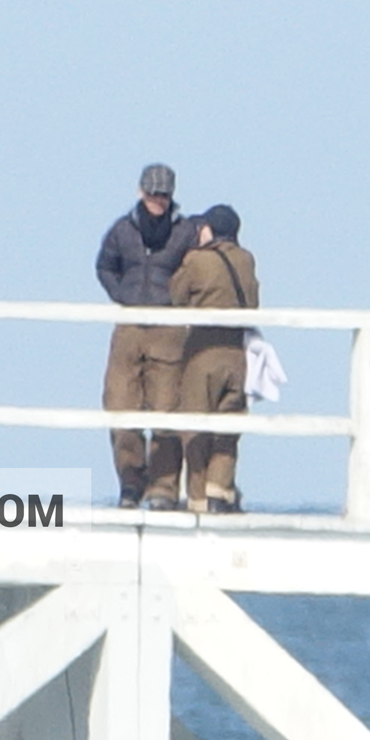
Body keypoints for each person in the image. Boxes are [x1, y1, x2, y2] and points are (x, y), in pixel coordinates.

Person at [96, 163, 201, 509]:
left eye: (164, 194)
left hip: (169, 329)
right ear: (141, 192)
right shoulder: (122, 231)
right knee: (119, 405)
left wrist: (176, 301)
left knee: (166, 410)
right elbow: (104, 266)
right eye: (153, 193)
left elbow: (195, 272)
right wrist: (123, 296)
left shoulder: (184, 233)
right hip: (129, 327)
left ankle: (163, 488)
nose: (158, 200)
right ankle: (130, 481)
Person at [170, 205, 259, 514]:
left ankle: (197, 498)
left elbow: (176, 294)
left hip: (203, 352)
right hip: (238, 354)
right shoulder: (247, 259)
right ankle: (220, 490)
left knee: (195, 425)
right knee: (228, 424)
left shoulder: (198, 260)